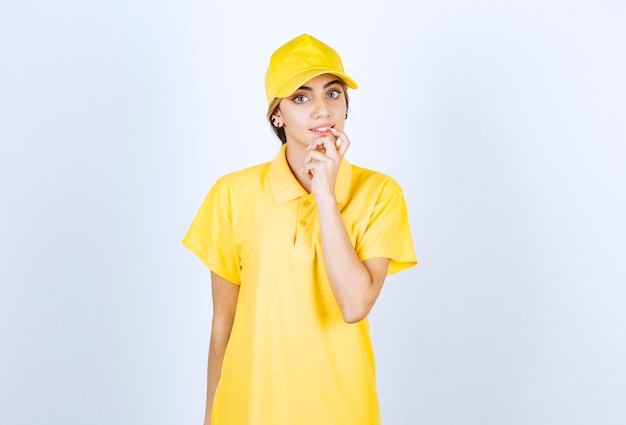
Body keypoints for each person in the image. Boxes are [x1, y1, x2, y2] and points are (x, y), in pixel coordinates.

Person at [183, 33, 417, 425]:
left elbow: (355, 305)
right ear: (277, 114)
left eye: (333, 94)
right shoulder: (232, 194)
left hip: (341, 408)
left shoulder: (379, 193)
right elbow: (223, 320)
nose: (322, 110)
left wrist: (326, 195)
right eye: (301, 97)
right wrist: (210, 417)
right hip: (248, 408)